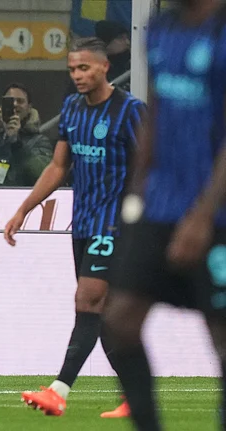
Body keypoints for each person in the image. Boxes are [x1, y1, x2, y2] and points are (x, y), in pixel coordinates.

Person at [3, 37, 145, 417]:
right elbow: (58, 167)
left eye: (84, 68)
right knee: (107, 314)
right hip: (82, 223)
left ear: (104, 67)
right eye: (72, 69)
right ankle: (137, 397)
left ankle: (59, 390)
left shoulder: (130, 110)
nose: (77, 75)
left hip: (115, 225)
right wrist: (24, 209)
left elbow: (151, 166)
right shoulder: (71, 108)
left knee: (88, 301)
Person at [103, 1, 226, 429]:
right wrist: (136, 197)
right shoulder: (160, 27)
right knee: (119, 321)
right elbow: (155, 113)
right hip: (159, 205)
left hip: (216, 212)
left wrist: (202, 215)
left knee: (221, 340)